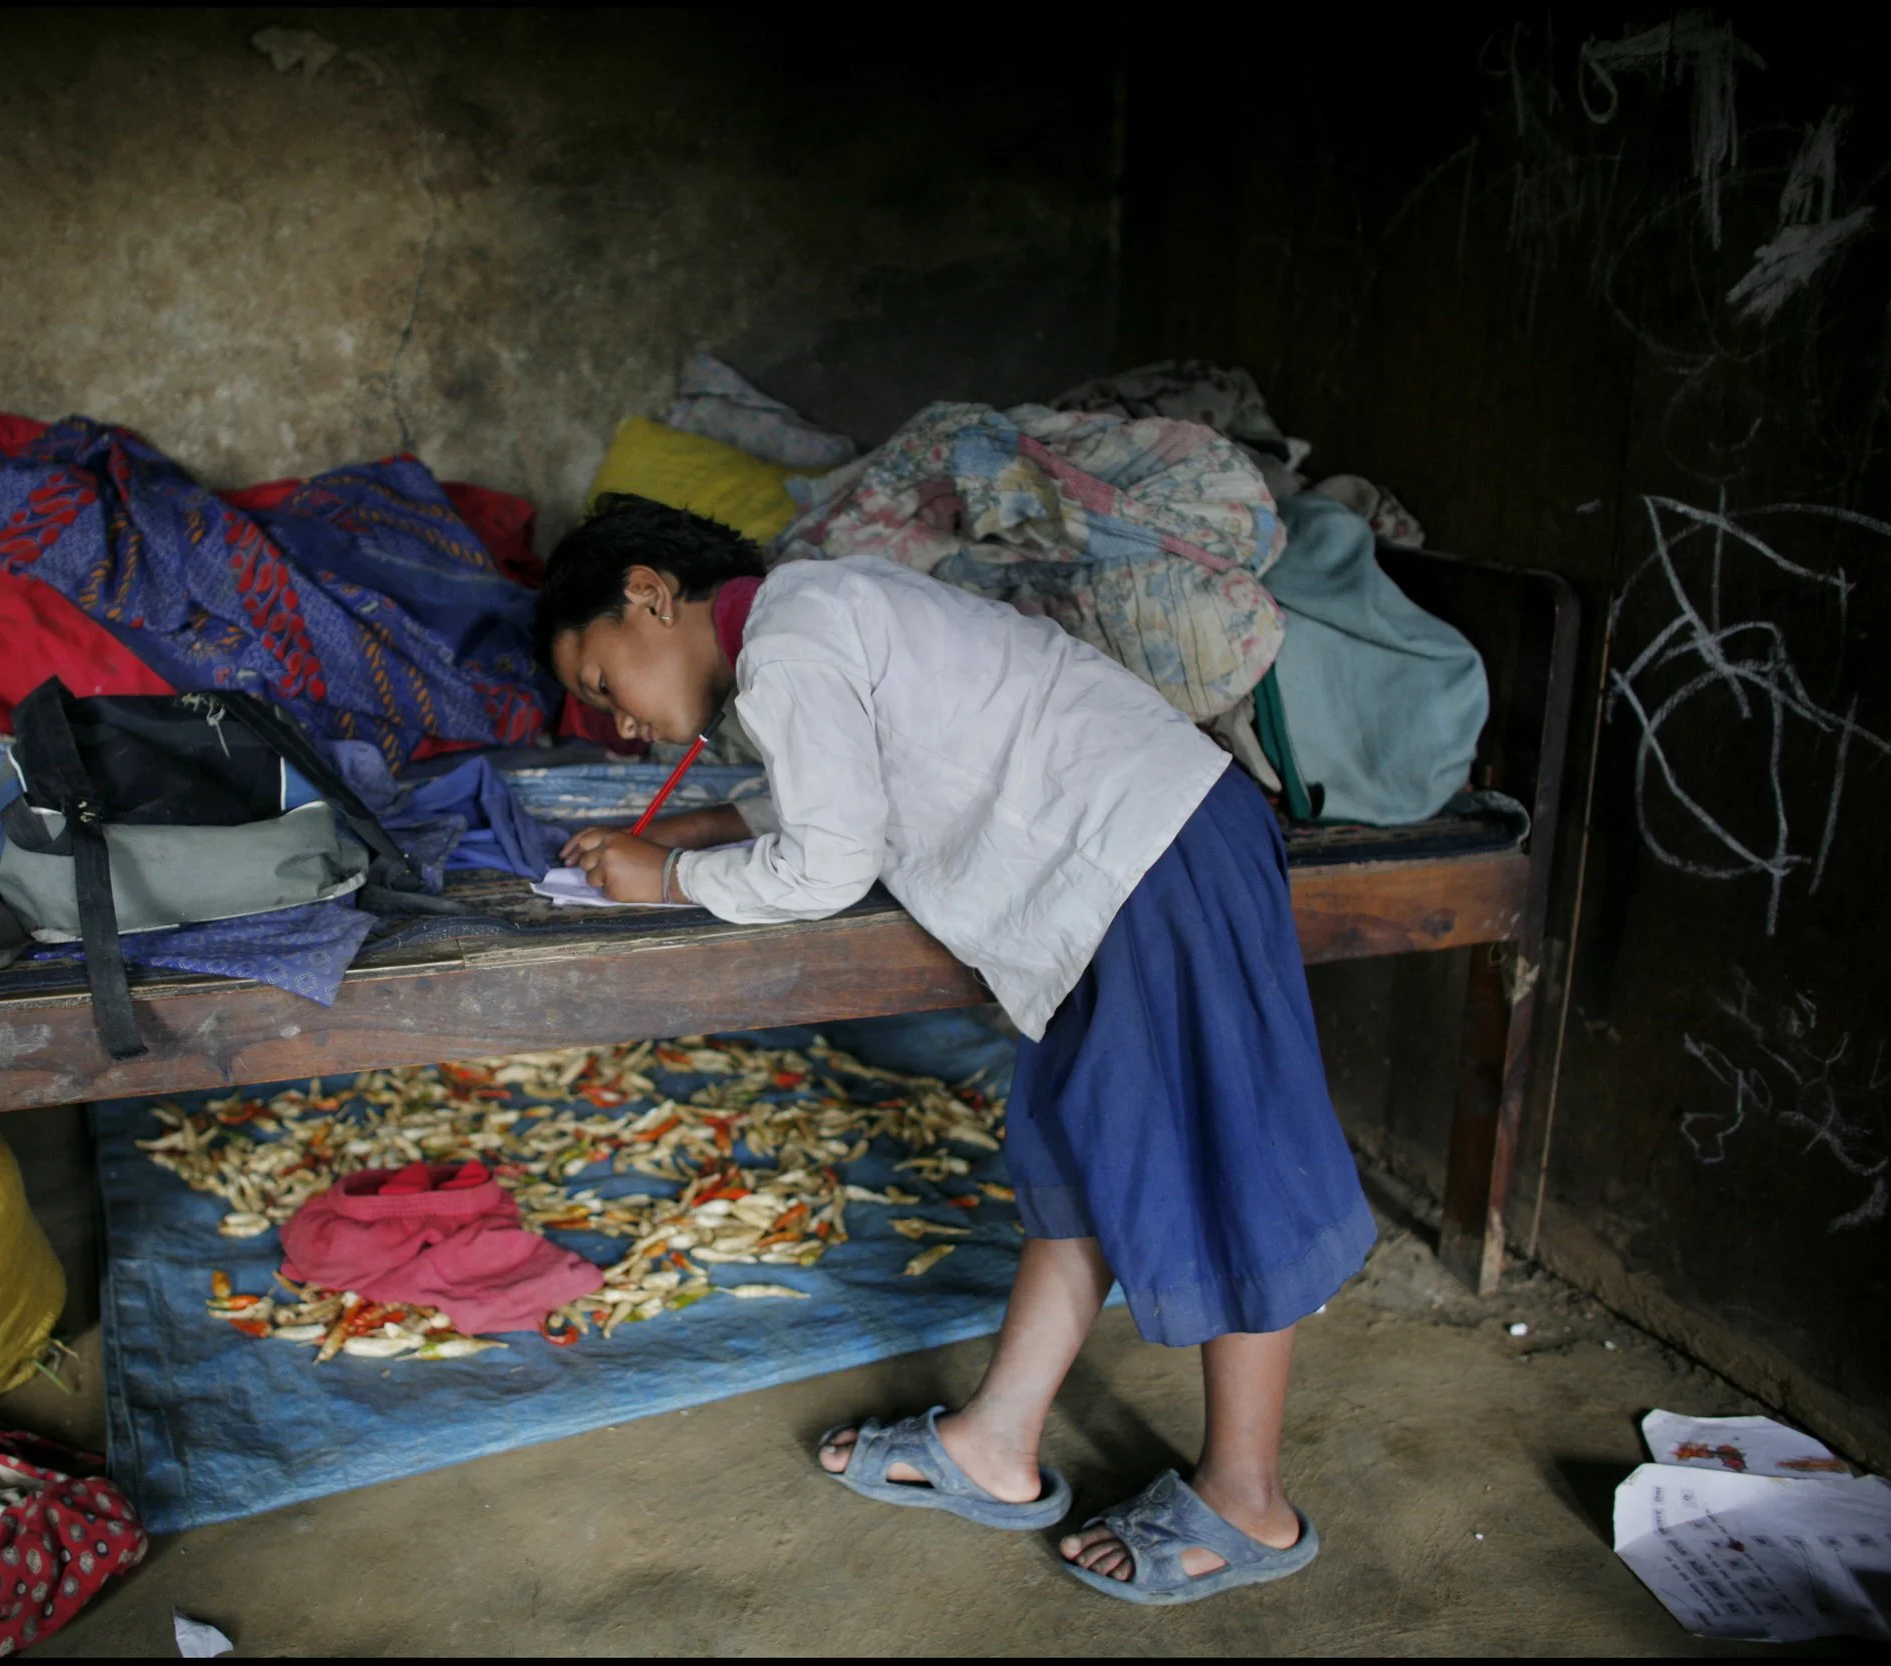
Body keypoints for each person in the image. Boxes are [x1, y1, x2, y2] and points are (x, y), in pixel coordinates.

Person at [534, 494, 1375, 1604]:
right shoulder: (806, 618)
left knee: (1224, 1162)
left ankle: (1247, 1499)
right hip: (1126, 870)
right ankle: (997, 1438)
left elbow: (828, 861)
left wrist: (669, 876)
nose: (620, 724)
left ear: (647, 592)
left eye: (601, 682)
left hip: (1153, 861)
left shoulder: (789, 643)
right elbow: (839, 781)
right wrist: (690, 828)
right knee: (1077, 1155)